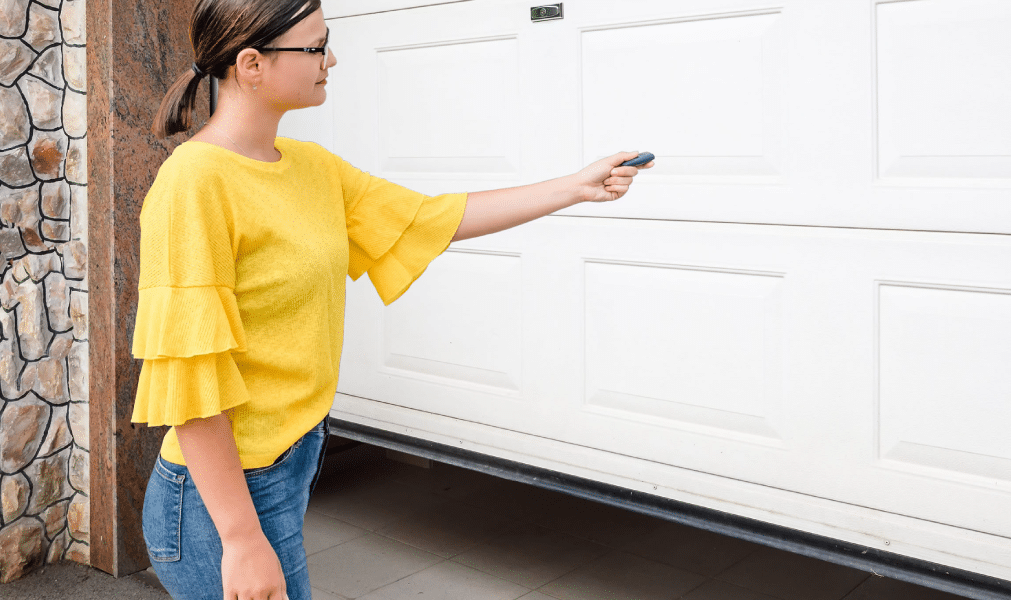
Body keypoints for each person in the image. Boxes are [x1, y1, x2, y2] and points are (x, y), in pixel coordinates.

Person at [131, 1, 653, 599]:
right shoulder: (193, 185)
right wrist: (242, 540)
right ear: (251, 65)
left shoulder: (310, 168)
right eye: (315, 47)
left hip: (287, 463)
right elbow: (190, 383)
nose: (331, 58)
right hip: (217, 503)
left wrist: (572, 187)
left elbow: (427, 219)